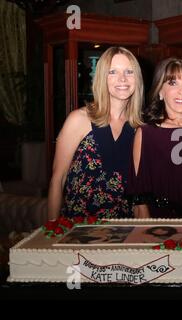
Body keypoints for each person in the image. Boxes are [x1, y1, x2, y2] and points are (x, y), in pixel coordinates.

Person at [47, 46, 144, 220]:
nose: (122, 79)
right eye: (113, 72)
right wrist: (51, 233)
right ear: (102, 78)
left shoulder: (140, 128)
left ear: (137, 78)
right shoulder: (79, 119)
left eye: (129, 72)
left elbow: (140, 194)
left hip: (124, 232)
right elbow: (57, 180)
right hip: (77, 233)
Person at [127, 57, 182, 219]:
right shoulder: (147, 134)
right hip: (163, 228)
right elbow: (139, 197)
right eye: (173, 83)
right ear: (160, 91)